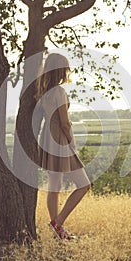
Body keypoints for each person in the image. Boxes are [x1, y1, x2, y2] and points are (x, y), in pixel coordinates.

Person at [34, 53, 91, 241]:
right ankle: (57, 223)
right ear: (60, 70)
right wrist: (71, 142)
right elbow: (65, 123)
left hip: (47, 139)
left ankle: (57, 229)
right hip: (59, 140)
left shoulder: (43, 91)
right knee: (84, 185)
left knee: (54, 185)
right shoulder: (58, 91)